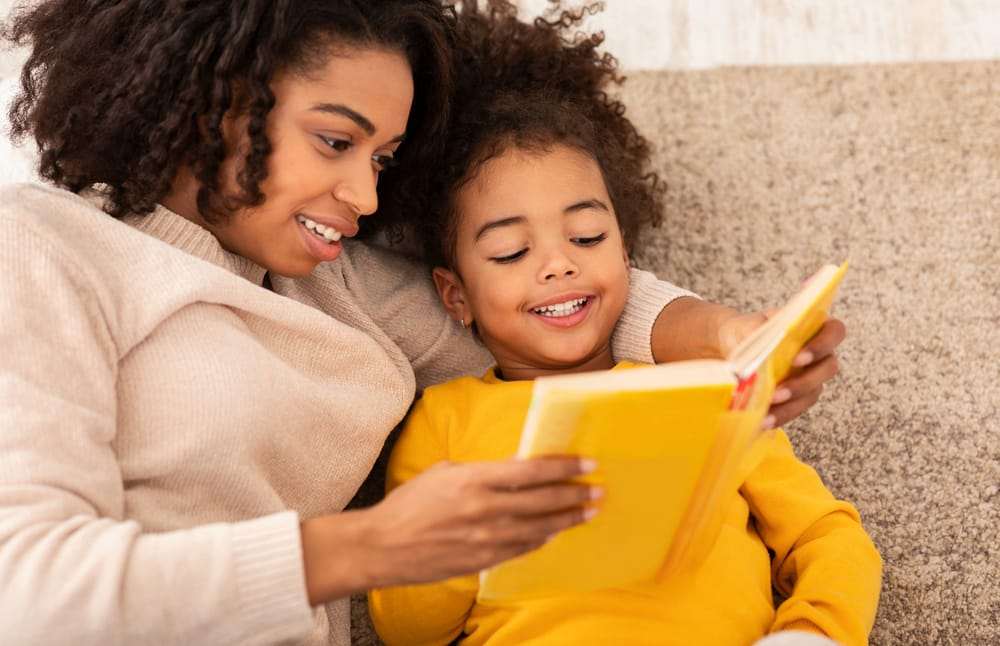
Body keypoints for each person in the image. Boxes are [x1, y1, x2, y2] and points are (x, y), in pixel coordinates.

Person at [0, 1, 844, 645]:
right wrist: (368, 548)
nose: (365, 200)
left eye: (382, 160)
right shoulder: (45, 247)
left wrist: (732, 340)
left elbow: (541, 313)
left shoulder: (343, 286)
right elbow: (28, 595)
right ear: (209, 100)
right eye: (335, 141)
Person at [367, 8, 881, 646]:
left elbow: (827, 534)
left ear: (627, 256)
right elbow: (406, 629)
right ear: (455, 295)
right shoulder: (446, 419)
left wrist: (812, 631)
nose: (559, 263)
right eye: (510, 253)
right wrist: (450, 539)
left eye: (587, 236)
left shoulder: (706, 388)